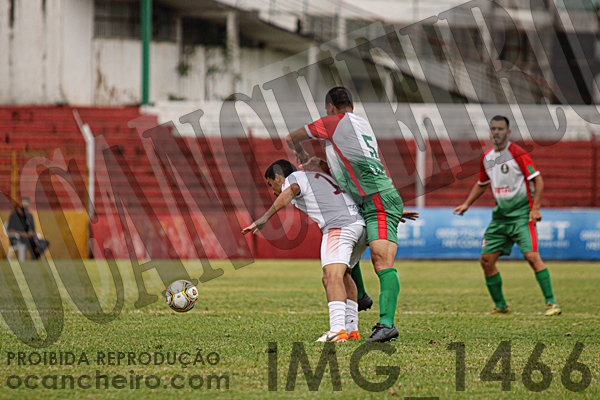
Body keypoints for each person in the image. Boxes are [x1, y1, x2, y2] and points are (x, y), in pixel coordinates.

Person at [242, 160, 418, 342]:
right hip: (360, 226)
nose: (273, 191)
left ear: (278, 177)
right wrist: (389, 211)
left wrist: (264, 218)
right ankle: (351, 328)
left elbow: (292, 189)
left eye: (271, 184)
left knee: (331, 277)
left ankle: (337, 330)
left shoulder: (294, 178)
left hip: (340, 227)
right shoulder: (319, 178)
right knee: (345, 274)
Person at [285, 87, 407, 342]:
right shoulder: (361, 125)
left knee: (382, 262)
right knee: (350, 243)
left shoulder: (334, 122)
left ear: (330, 107)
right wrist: (322, 164)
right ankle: (359, 295)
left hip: (378, 202)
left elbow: (291, 137)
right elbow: (358, 166)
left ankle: (387, 325)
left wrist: (301, 153)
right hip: (374, 199)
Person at [453, 115, 561, 316]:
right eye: (493, 129)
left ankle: (551, 303)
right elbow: (482, 184)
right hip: (500, 218)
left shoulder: (518, 153)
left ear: (508, 132)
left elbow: (537, 180)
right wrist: (467, 204)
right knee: (486, 261)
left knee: (532, 257)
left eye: (500, 129)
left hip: (522, 216)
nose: (496, 132)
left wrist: (535, 208)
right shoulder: (487, 158)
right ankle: (501, 306)